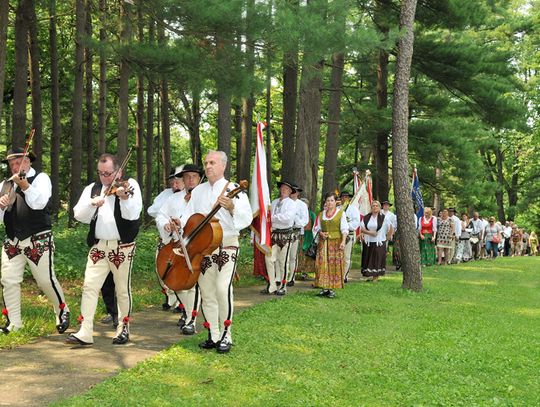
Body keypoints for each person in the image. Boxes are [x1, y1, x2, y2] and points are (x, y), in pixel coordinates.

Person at [66, 153, 142, 346]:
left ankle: (123, 328)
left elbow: (133, 214)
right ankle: (85, 331)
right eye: (101, 173)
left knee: (122, 289)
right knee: (89, 286)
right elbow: (79, 215)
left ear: (119, 171)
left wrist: (123, 197)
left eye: (108, 173)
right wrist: (93, 204)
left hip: (121, 246)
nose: (104, 178)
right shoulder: (93, 189)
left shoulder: (129, 184)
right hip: (98, 246)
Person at [183, 151, 251, 354]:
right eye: (206, 163)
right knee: (207, 291)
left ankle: (226, 334)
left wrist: (231, 207)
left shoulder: (233, 189)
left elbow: (246, 217)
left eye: (212, 162)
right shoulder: (198, 191)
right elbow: (189, 217)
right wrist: (181, 226)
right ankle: (213, 334)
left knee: (222, 288)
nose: (208, 166)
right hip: (204, 248)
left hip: (226, 245)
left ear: (223, 166)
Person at [0, 147, 70, 334]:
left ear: (28, 161)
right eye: (12, 164)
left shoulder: (41, 178)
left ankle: (62, 309)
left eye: (18, 162)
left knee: (45, 280)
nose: (15, 167)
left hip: (37, 239)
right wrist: (1, 206)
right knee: (8, 280)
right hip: (13, 240)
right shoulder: (5, 185)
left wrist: (24, 186)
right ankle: (13, 323)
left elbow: (38, 203)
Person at [156, 164, 204, 335]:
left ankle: (191, 319)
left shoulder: (204, 197)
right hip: (177, 246)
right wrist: (166, 225)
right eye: (187, 176)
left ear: (199, 178)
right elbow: (161, 215)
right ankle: (187, 310)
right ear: (182, 179)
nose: (190, 179)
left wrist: (181, 222)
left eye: (194, 176)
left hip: (197, 246)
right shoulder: (173, 199)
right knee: (174, 282)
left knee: (192, 284)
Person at [149, 166, 185, 313]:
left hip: (182, 241)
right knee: (162, 270)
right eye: (173, 182)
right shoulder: (165, 195)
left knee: (179, 272)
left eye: (177, 182)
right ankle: (171, 298)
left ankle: (182, 304)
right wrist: (165, 221)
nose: (174, 185)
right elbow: (152, 211)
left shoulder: (192, 196)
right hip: (166, 240)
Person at [263, 180, 297, 296]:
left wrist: (273, 218)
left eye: (286, 189)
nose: (283, 190)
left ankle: (283, 285)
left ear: (290, 191)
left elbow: (287, 219)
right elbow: (267, 217)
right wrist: (273, 219)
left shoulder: (291, 204)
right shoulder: (274, 202)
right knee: (269, 259)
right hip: (273, 234)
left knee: (283, 261)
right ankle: (272, 285)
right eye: (282, 188)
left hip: (285, 235)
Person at [312, 192, 348, 297]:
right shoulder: (321, 214)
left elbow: (344, 229)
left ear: (336, 201)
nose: (329, 202)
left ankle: (331, 289)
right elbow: (317, 228)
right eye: (328, 200)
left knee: (333, 264)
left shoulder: (340, 213)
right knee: (322, 264)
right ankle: (324, 287)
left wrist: (343, 241)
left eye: (332, 200)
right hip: (323, 243)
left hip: (335, 243)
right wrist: (321, 233)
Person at [360, 200, 393, 281]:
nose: (375, 207)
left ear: (379, 207)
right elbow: (362, 228)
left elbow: (391, 228)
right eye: (373, 206)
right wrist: (370, 232)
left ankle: (376, 277)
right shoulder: (367, 217)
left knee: (377, 259)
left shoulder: (384, 218)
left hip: (379, 242)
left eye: (376, 206)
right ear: (371, 207)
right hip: (369, 241)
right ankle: (370, 275)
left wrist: (387, 238)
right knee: (368, 258)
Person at [287, 185, 309, 286]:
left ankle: (291, 277)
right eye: (292, 191)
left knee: (292, 256)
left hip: (295, 231)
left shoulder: (302, 205)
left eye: (295, 191)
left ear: (298, 193)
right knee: (283, 257)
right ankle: (283, 276)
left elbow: (305, 220)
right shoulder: (285, 202)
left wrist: (296, 221)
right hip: (284, 231)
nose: (293, 193)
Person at [339, 191, 360, 283]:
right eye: (343, 197)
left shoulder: (354, 209)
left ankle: (344, 275)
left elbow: (356, 223)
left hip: (349, 234)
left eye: (346, 197)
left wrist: (345, 225)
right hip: (338, 234)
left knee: (346, 257)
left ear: (349, 199)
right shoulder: (337, 209)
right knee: (338, 256)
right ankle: (338, 274)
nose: (344, 199)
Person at [381, 200, 399, 270]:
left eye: (387, 205)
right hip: (378, 232)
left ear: (389, 206)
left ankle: (383, 263)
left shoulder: (392, 215)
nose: (386, 206)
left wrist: (391, 233)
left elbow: (394, 225)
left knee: (384, 248)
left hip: (386, 233)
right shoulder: (379, 212)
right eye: (384, 205)